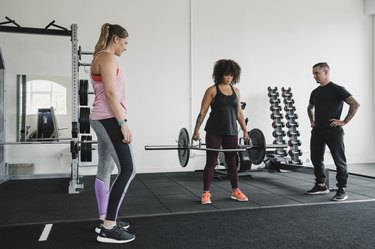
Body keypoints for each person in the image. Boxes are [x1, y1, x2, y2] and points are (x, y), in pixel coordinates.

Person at [89, 23, 136, 243]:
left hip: (101, 117)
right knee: (128, 168)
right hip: (108, 118)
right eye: (125, 43)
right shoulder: (107, 58)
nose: (126, 48)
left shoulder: (101, 56)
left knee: (105, 167)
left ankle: (104, 219)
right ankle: (109, 226)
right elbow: (110, 92)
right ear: (116, 39)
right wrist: (122, 123)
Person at [192, 59, 250, 205]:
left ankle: (235, 191)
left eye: (231, 75)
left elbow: (239, 114)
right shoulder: (212, 90)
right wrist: (196, 130)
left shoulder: (236, 91)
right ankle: (206, 193)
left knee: (232, 162)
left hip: (231, 131)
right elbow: (203, 112)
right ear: (219, 74)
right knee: (211, 161)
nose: (229, 77)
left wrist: (245, 130)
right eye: (226, 74)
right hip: (214, 131)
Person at [307, 62, 360, 201]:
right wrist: (312, 121)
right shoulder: (315, 92)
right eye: (313, 73)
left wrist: (344, 121)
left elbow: (354, 104)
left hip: (333, 131)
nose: (314, 76)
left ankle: (342, 189)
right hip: (318, 131)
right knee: (315, 158)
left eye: (316, 73)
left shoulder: (337, 89)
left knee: (339, 161)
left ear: (326, 72)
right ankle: (321, 185)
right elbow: (309, 107)